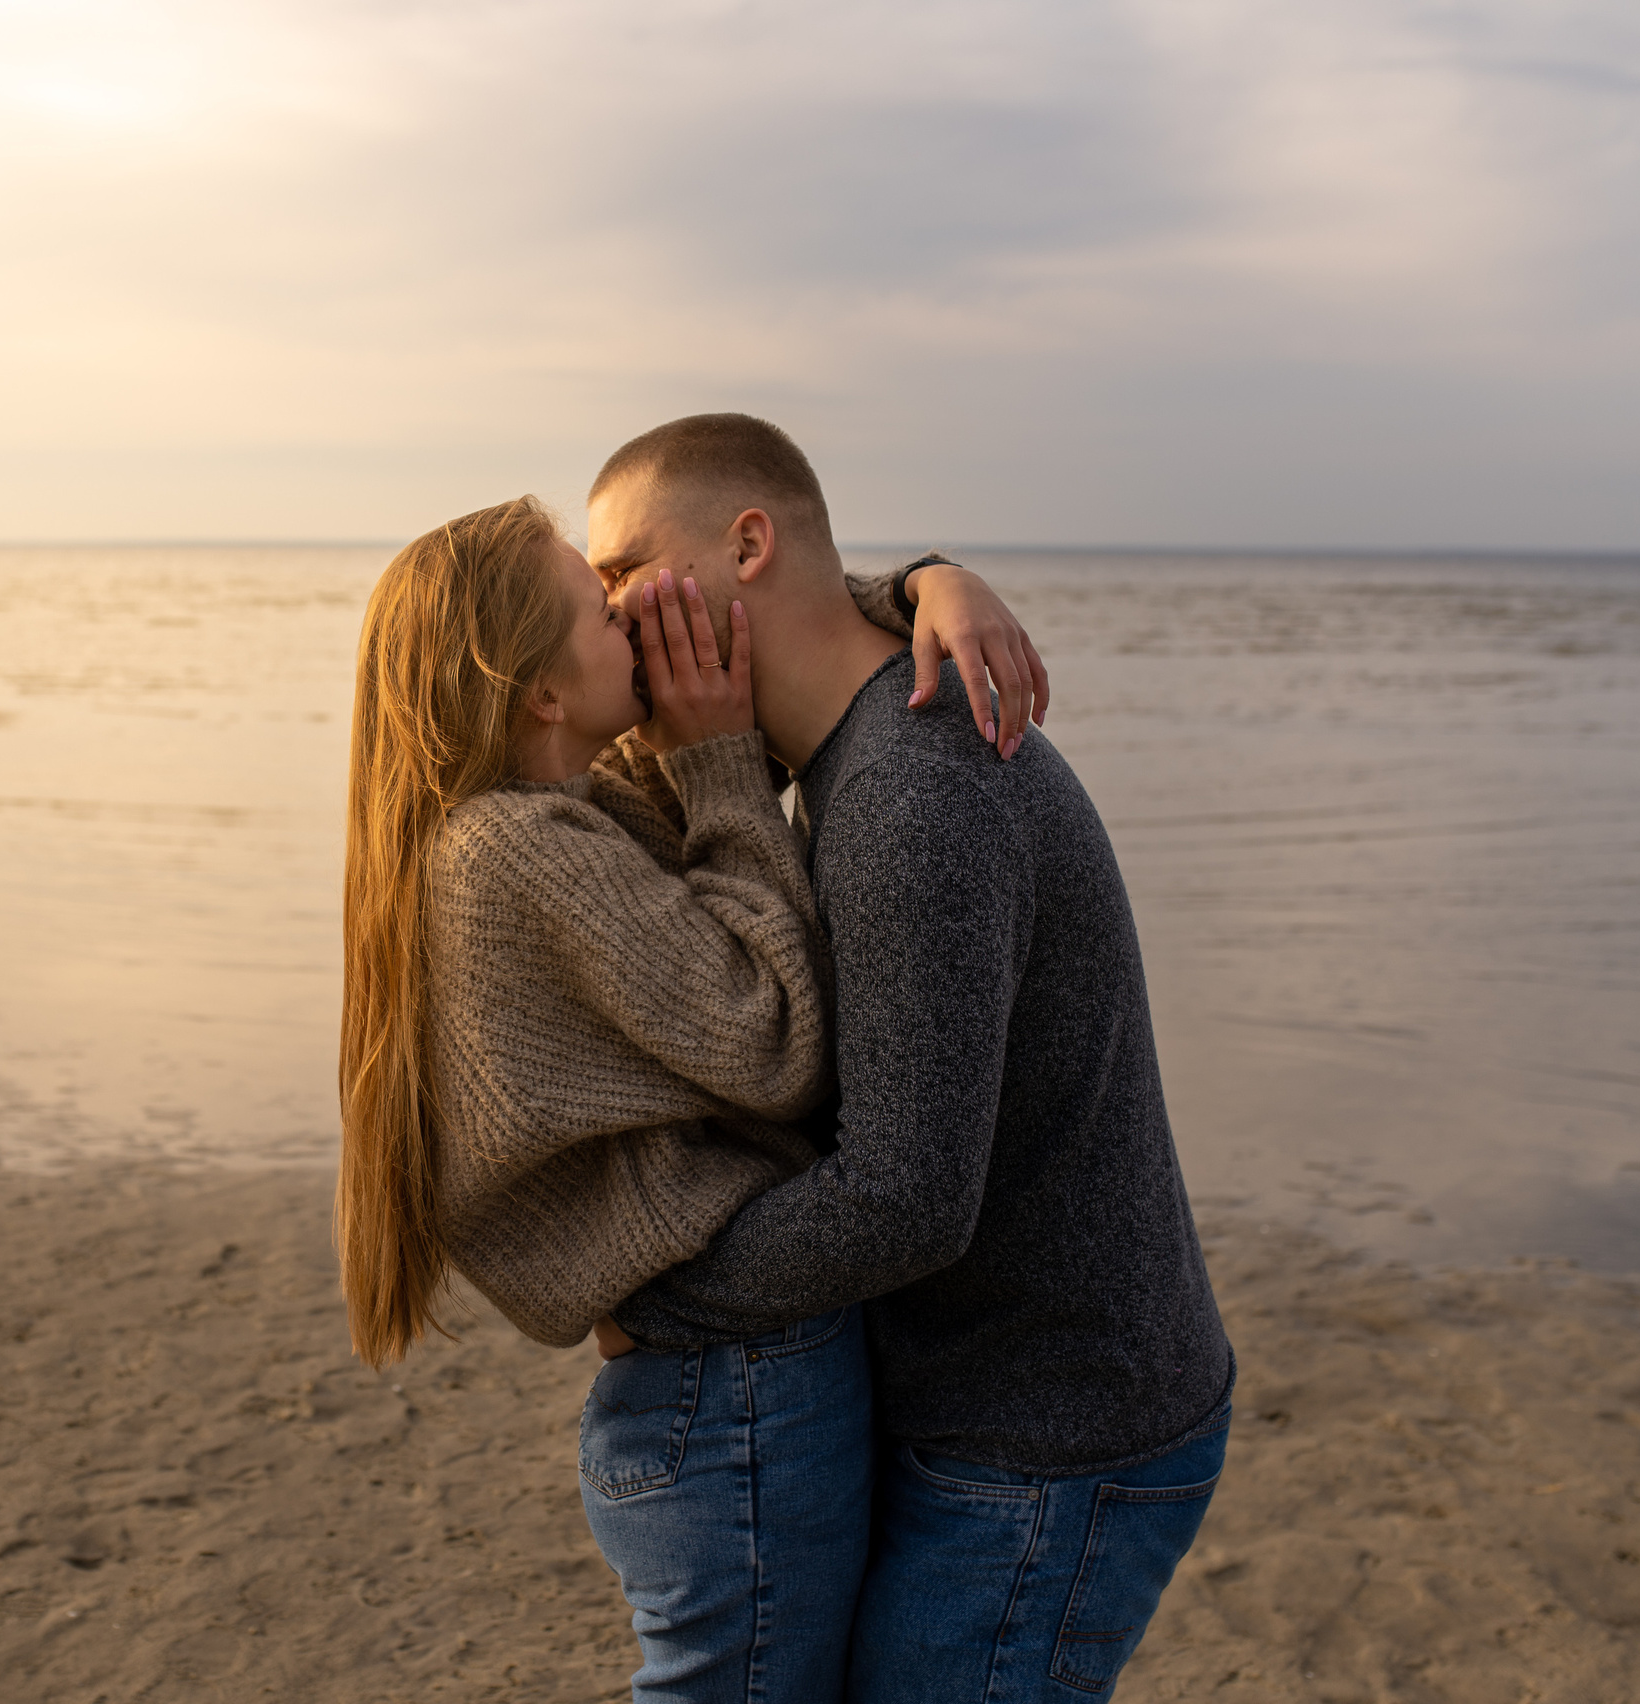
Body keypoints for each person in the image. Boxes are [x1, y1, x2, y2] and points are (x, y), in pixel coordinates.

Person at [336, 494, 1045, 1703]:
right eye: (600, 608)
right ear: (542, 695)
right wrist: (716, 765)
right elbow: (775, 1040)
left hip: (723, 1386)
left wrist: (925, 582)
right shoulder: (512, 850)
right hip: (731, 1391)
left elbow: (777, 652)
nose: (633, 615)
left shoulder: (565, 807)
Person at [586, 414, 1234, 1704]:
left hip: (1051, 1433)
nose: (608, 619)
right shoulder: (854, 739)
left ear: (747, 545)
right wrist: (923, 575)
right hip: (1009, 1390)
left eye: (620, 576)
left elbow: (903, 1199)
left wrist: (647, 1294)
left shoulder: (905, 797)